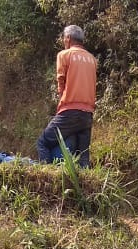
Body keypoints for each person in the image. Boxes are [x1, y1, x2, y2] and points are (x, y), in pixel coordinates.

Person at [36, 25, 97, 167]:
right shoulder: (92, 59)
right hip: (87, 114)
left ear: (68, 38)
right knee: (83, 157)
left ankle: (47, 175)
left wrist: (61, 106)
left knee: (43, 142)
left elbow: (61, 84)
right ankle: (85, 184)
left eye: (64, 38)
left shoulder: (64, 55)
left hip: (69, 111)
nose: (64, 41)